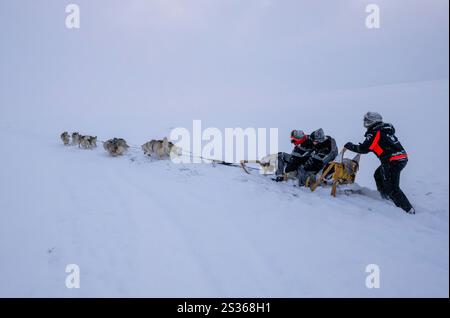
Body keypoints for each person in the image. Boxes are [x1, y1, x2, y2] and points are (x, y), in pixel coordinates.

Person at [344, 112, 415, 214]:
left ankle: (408, 210)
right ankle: (385, 198)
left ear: (373, 121)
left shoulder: (375, 132)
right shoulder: (383, 130)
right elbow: (374, 145)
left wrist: (350, 146)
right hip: (400, 158)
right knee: (378, 174)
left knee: (392, 187)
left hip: (392, 161)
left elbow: (365, 148)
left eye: (367, 120)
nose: (365, 123)